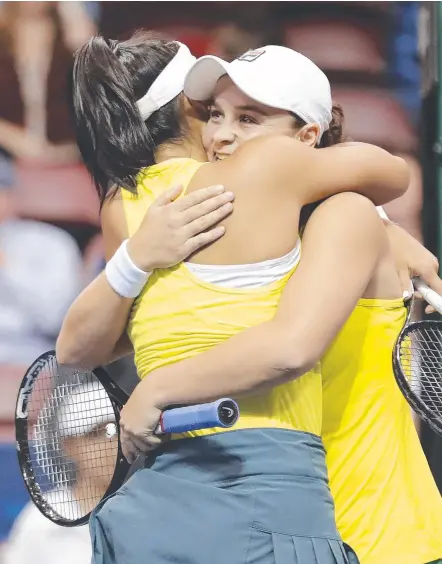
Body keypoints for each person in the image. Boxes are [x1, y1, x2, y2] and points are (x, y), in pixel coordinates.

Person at [60, 33, 411, 564]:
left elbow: (81, 348)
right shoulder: (273, 169)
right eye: (216, 113)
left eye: (247, 118)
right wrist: (374, 214)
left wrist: (135, 260)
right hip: (263, 489)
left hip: (152, 505)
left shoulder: (121, 209)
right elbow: (394, 172)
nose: (225, 133)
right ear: (188, 107)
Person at [3, 381, 115, 564]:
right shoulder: (39, 521)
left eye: (117, 431)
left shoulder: (148, 509)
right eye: (97, 434)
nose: (111, 445)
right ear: (69, 445)